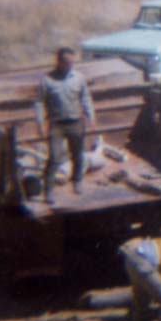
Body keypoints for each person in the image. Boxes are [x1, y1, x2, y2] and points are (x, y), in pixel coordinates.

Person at [34, 47, 96, 204]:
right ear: (59, 62)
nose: (70, 65)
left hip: (76, 121)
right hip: (57, 124)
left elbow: (85, 98)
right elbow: (39, 102)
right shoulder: (47, 80)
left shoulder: (79, 78)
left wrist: (91, 117)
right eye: (67, 62)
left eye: (72, 62)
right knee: (54, 157)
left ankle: (77, 182)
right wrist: (40, 123)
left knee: (77, 155)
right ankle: (48, 191)